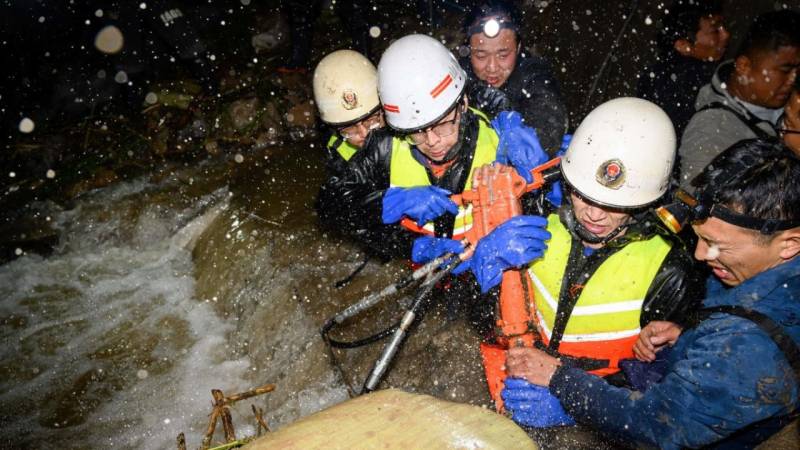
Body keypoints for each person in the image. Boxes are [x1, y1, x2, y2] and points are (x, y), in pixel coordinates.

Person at [504, 139, 800, 449]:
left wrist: (560, 380)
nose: (700, 255)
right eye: (698, 238)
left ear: (789, 244)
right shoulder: (765, 286)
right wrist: (690, 333)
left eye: (718, 246)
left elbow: (657, 425)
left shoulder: (747, 342)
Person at [448, 97, 703, 414]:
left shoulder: (669, 270)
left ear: (643, 200)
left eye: (613, 204)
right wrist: (480, 272)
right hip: (506, 384)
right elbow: (478, 322)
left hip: (596, 414)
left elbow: (668, 386)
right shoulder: (539, 219)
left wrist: (574, 405)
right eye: (584, 195)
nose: (594, 214)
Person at [316, 34, 548, 263]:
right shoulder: (385, 145)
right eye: (417, 131)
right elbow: (331, 204)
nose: (432, 141)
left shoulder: (498, 142)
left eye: (442, 125)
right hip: (426, 260)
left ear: (462, 106)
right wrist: (408, 238)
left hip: (482, 264)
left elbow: (541, 215)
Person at [678, 9, 800, 190]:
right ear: (744, 66)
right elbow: (703, 210)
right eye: (784, 70)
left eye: (798, 71)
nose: (792, 80)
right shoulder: (712, 129)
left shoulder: (790, 103)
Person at [462, 1, 568, 152]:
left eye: (503, 55)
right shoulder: (457, 79)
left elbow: (545, 135)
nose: (492, 67)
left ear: (518, 48)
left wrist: (506, 113)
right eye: (481, 55)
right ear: (469, 51)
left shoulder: (534, 76)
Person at [637, 0, 730, 138]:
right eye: (715, 30)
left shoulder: (711, 73)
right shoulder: (678, 83)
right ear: (683, 45)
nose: (725, 34)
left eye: (723, 27)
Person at [312, 50, 384, 177]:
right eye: (350, 129)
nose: (364, 134)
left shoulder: (412, 134)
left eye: (371, 120)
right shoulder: (338, 154)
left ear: (384, 110)